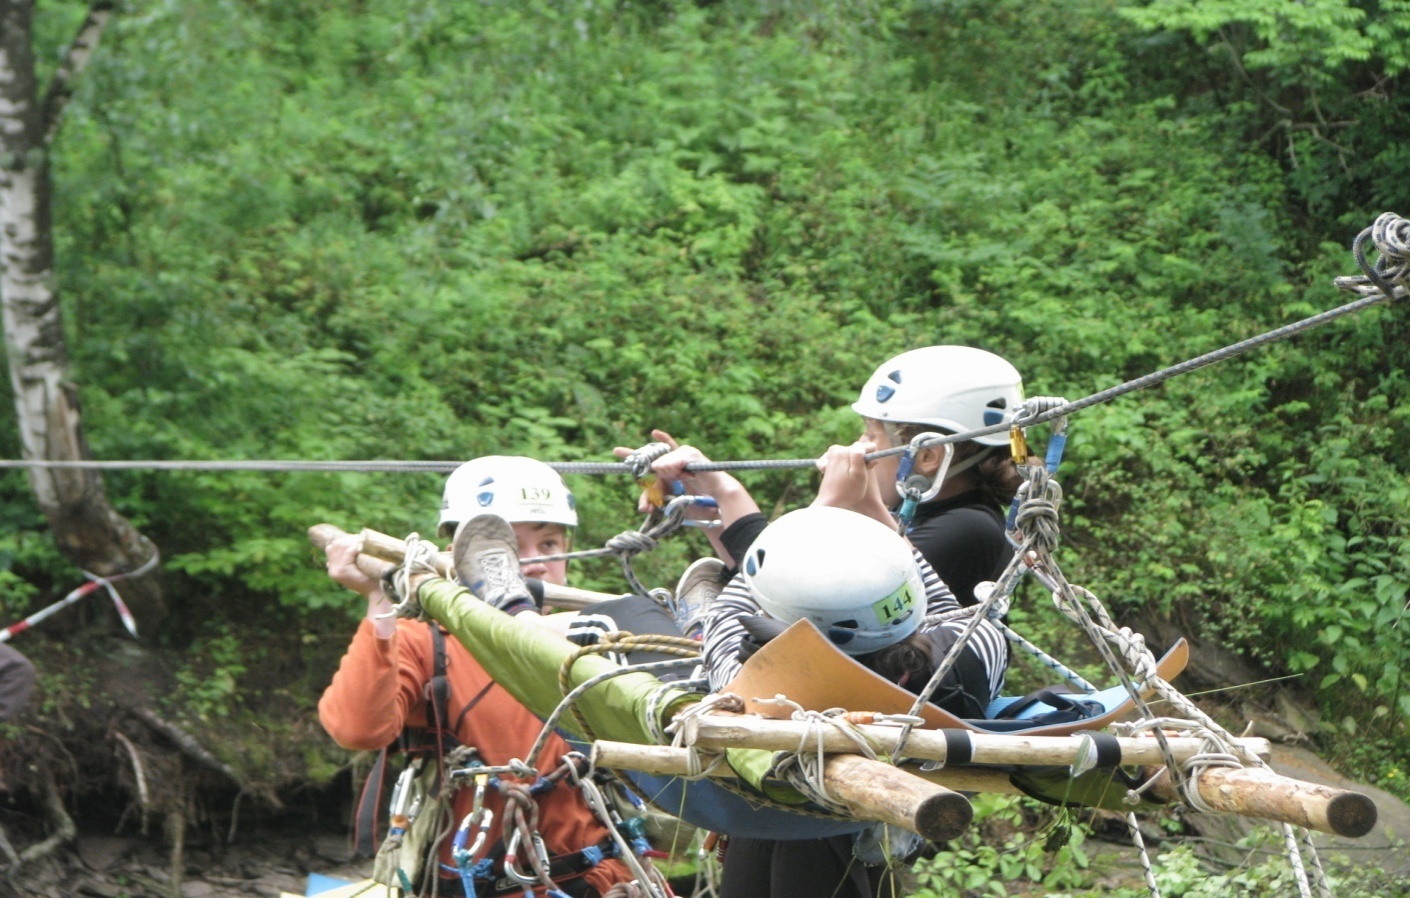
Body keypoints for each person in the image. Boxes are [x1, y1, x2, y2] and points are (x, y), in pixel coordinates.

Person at [318, 455, 638, 898]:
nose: (536, 564)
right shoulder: (425, 641)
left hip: (598, 881)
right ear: (455, 556)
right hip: (473, 884)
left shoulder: (598, 635)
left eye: (549, 545)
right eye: (511, 548)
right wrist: (380, 600)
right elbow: (357, 728)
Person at [850, 345, 1027, 607]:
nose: (859, 445)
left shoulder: (965, 529)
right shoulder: (919, 510)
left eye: (871, 435)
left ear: (928, 456)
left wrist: (841, 502)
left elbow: (824, 598)